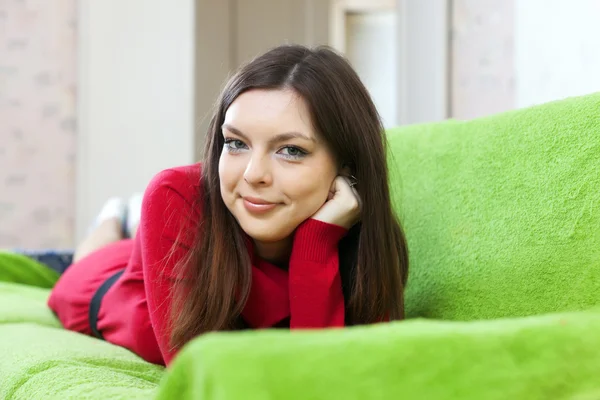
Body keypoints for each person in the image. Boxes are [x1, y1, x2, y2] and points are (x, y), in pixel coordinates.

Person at [48, 44, 409, 366]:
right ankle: (116, 215)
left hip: (183, 243)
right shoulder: (174, 193)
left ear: (346, 166)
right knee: (90, 256)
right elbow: (202, 371)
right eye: (236, 143)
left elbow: (328, 374)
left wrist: (316, 241)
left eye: (291, 150)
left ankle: (129, 221)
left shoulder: (367, 244)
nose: (254, 174)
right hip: (108, 288)